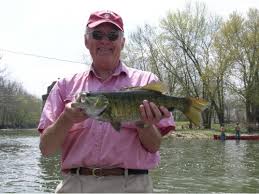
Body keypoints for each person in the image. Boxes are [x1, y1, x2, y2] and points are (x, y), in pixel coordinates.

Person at [38, 10, 175, 193]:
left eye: (112, 35)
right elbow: (46, 149)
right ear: (86, 41)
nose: (105, 41)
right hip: (76, 185)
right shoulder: (64, 86)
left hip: (132, 186)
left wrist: (144, 124)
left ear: (122, 42)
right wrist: (66, 118)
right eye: (97, 34)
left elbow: (153, 146)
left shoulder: (147, 82)